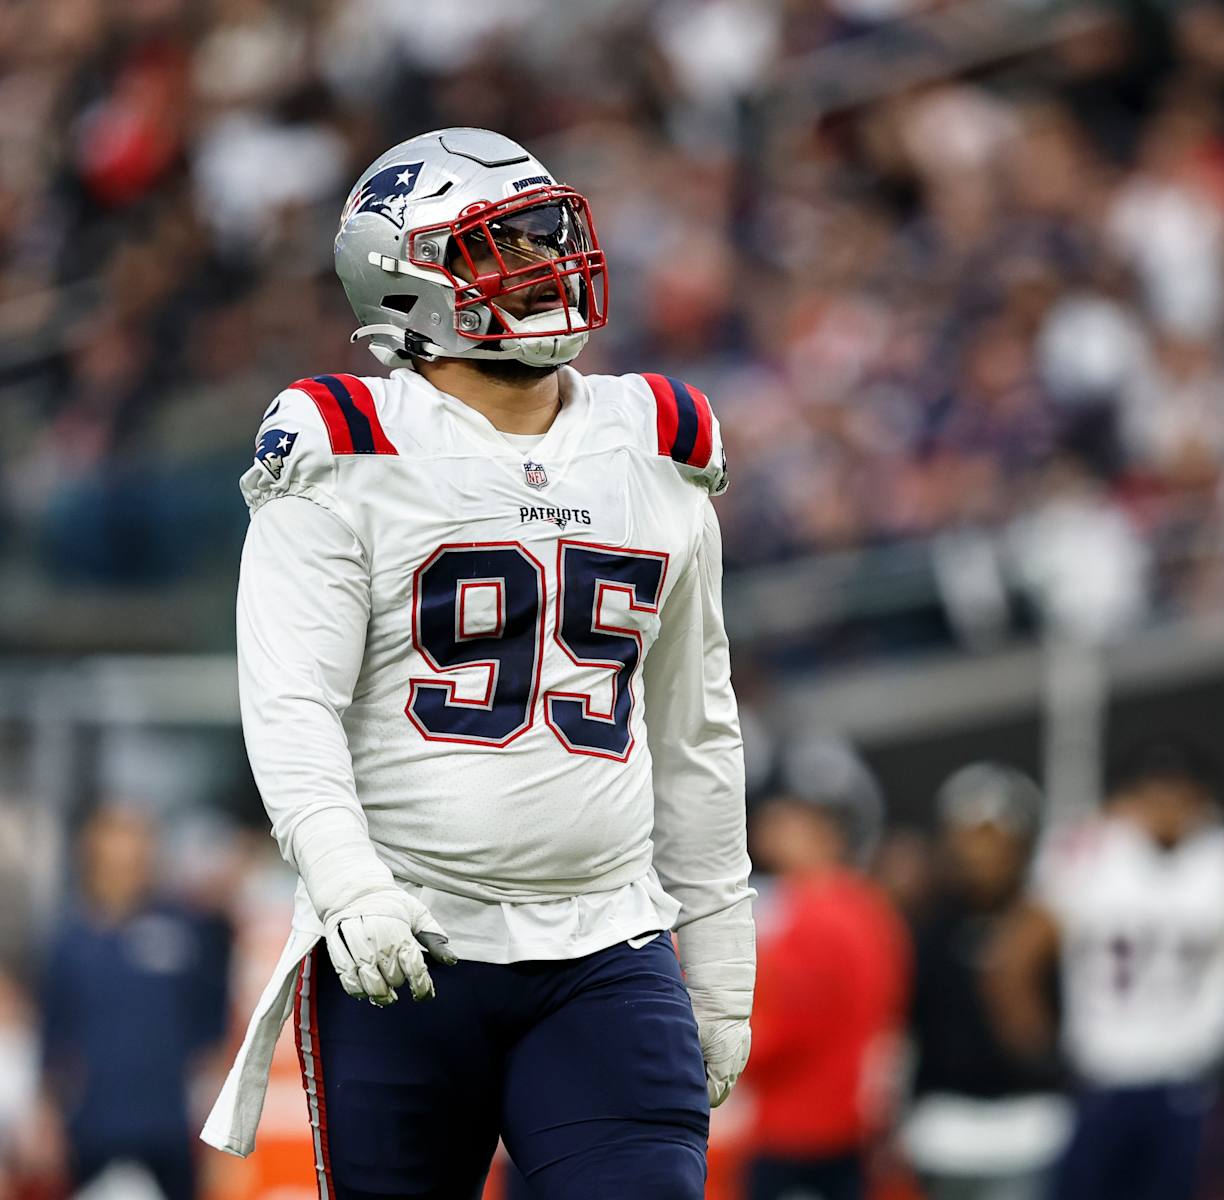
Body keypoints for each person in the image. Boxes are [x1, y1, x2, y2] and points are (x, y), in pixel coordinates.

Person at [202, 128, 755, 1200]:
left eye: (551, 232)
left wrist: (721, 961)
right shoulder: (346, 439)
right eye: (507, 241)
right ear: (407, 279)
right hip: (407, 946)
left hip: (605, 941)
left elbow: (697, 729)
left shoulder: (657, 440)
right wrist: (348, 883)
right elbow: (290, 702)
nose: (550, 261)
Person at [988, 744, 1224, 1200]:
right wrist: (1038, 1049)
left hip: (1193, 1082)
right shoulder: (1089, 852)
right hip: (1105, 1079)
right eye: (1155, 791)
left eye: (1180, 792)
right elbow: (1013, 959)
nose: (1167, 805)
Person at [734, 743, 911, 1200]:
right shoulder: (868, 906)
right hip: (849, 1121)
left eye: (785, 815)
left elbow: (784, 1031)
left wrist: (713, 1050)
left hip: (802, 1131)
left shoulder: (816, 913)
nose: (766, 824)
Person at [38, 806, 232, 1200]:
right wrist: (47, 1120)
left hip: (171, 1130)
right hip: (94, 1129)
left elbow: (214, 1037)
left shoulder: (186, 931)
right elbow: (53, 1040)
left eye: (135, 851)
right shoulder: (69, 942)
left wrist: (221, 1135)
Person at [905, 763, 1069, 1200]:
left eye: (994, 836)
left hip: (1029, 1129)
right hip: (943, 1132)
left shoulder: (1048, 926)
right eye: (968, 834)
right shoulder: (928, 928)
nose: (979, 853)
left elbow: (1060, 1043)